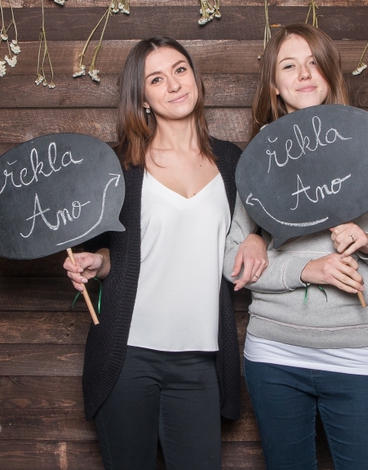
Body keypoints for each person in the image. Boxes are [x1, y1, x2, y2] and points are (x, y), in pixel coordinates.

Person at [63, 36, 267, 470]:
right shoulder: (120, 167)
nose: (173, 84)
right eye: (156, 79)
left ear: (194, 77)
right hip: (127, 356)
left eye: (179, 70)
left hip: (200, 360)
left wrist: (257, 238)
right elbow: (119, 255)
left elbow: (260, 225)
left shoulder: (233, 162)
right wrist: (97, 262)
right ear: (143, 99)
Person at [224, 23, 368, 470]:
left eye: (314, 63)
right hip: (273, 354)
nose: (304, 74)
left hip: (355, 352)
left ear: (330, 73)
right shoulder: (259, 159)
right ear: (274, 86)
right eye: (289, 66)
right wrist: (304, 269)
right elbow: (232, 262)